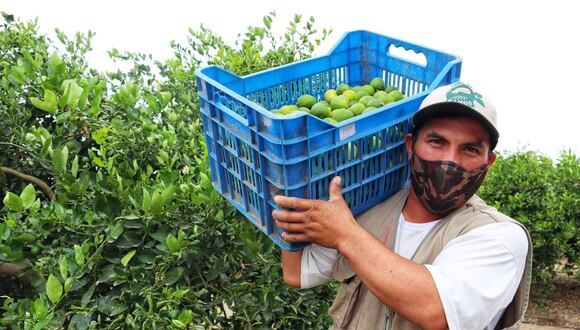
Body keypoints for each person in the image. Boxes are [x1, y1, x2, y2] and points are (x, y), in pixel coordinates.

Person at [273, 82, 532, 330]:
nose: (450, 160)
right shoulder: (370, 206)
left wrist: (345, 234)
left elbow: (436, 310)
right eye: (437, 142)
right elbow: (297, 272)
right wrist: (288, 180)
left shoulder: (500, 236)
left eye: (470, 149)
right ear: (410, 146)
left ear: (489, 162)